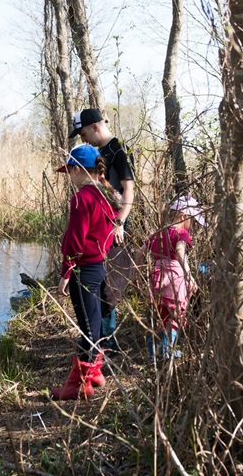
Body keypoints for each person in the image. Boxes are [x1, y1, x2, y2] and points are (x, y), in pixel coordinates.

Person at [52, 144, 120, 400]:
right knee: (94, 324)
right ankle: (95, 374)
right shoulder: (106, 196)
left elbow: (74, 240)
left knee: (88, 329)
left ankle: (78, 386)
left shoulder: (82, 198)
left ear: (79, 170)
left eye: (70, 170)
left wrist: (65, 272)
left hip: (85, 270)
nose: (69, 175)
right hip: (101, 267)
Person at [70, 108, 135, 355]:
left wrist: (120, 222)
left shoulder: (117, 151)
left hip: (114, 223)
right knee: (97, 278)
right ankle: (97, 335)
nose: (83, 138)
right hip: (100, 220)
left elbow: (129, 189)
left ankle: (106, 339)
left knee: (108, 281)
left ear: (95, 127)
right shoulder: (98, 153)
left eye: (83, 133)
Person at [134, 194, 206, 360]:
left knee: (160, 317)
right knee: (174, 318)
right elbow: (180, 253)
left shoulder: (158, 234)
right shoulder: (181, 234)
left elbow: (139, 253)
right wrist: (189, 277)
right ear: (184, 216)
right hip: (175, 281)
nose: (192, 225)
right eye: (192, 221)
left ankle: (153, 354)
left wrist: (136, 275)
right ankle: (167, 353)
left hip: (157, 279)